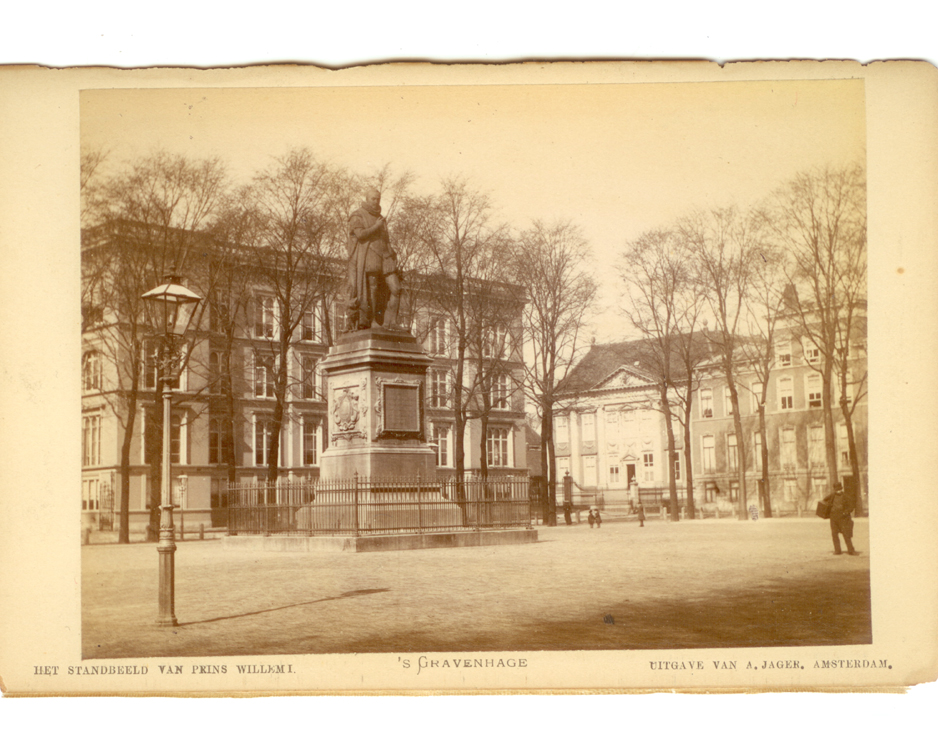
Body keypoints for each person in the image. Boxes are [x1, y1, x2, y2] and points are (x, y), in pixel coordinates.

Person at [347, 188, 401, 330]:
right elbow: (360, 235)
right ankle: (372, 321)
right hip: (370, 255)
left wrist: (391, 254)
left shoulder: (381, 218)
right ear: (367, 199)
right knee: (372, 288)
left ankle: (391, 322)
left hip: (385, 257)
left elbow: (386, 239)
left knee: (396, 288)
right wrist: (376, 226)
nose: (376, 201)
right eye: (373, 199)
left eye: (378, 199)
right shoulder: (357, 215)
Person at [826, 482, 858, 555]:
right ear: (834, 490)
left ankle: (851, 550)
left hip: (843, 518)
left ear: (841, 489)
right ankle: (837, 550)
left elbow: (851, 506)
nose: (838, 491)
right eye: (837, 490)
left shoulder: (845, 496)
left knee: (846, 534)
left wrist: (846, 512)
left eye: (839, 489)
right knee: (834, 534)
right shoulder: (832, 496)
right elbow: (824, 500)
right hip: (833, 518)